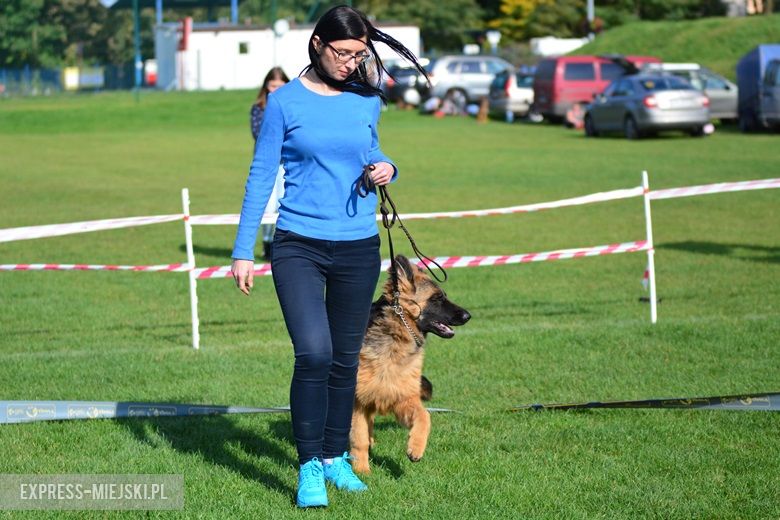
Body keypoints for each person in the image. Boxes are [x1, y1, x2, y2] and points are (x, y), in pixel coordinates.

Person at [230, 5, 427, 509]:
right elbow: (259, 176)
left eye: (360, 54)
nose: (351, 62)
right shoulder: (284, 103)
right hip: (298, 243)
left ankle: (337, 455)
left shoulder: (366, 100)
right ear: (317, 44)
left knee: (344, 359)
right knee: (314, 353)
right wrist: (242, 250)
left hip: (359, 245)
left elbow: (372, 152)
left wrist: (387, 168)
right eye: (343, 52)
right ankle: (309, 466)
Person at [250, 67, 290, 261]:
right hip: (267, 166)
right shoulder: (259, 108)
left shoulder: (291, 105)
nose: (275, 89)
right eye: (272, 85)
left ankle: (281, 243)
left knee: (283, 202)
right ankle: (267, 243)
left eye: (279, 85)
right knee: (267, 206)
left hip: (287, 164)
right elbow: (260, 135)